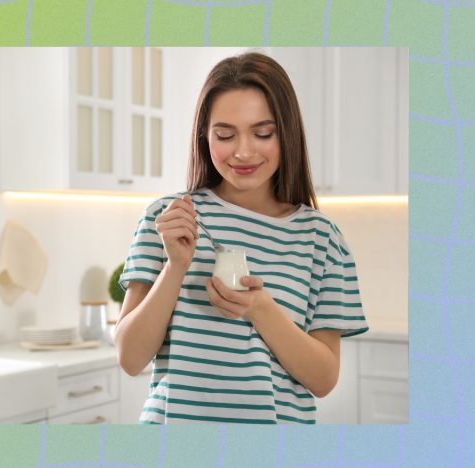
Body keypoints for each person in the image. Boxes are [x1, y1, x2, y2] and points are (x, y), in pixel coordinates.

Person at [114, 50, 368, 424]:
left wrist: (261, 309)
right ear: (205, 135)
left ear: (287, 132)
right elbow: (130, 358)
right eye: (225, 134)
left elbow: (323, 379)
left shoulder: (321, 239)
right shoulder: (168, 218)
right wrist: (176, 266)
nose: (243, 151)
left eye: (263, 133)